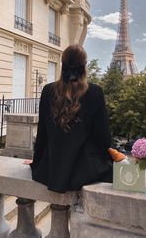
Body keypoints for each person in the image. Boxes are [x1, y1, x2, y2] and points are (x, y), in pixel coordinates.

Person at [29, 44, 113, 193]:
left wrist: (38, 162)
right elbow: (103, 136)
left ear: (62, 64)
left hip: (52, 169)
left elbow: (42, 134)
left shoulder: (48, 90)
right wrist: (113, 159)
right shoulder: (95, 92)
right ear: (85, 65)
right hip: (84, 169)